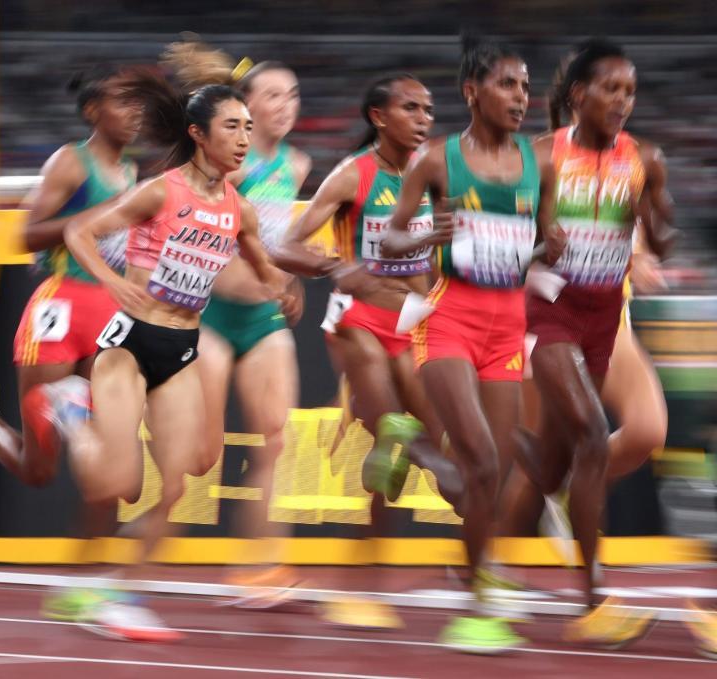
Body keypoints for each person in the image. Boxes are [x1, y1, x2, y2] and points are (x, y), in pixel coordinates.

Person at [35, 74, 287, 641]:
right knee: (114, 482)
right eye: (232, 127)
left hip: (180, 348)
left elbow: (261, 261)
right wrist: (110, 281)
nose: (245, 138)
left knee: (182, 483)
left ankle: (114, 592)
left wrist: (283, 285)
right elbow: (79, 232)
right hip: (130, 344)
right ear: (199, 135)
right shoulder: (160, 191)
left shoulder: (238, 209)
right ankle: (72, 410)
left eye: (249, 128)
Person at [380, 36, 553, 653]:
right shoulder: (434, 159)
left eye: (527, 87)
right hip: (449, 317)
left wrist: (545, 250)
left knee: (492, 472)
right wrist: (429, 235)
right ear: (472, 91)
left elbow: (542, 243)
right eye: (508, 85)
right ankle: (476, 607)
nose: (521, 98)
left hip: (507, 328)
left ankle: (474, 572)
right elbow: (389, 244)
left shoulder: (539, 163)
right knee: (479, 457)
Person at [276, 73, 463, 627]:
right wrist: (336, 266)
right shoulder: (352, 175)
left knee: (406, 453)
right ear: (379, 117)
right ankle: (367, 577)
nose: (424, 118)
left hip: (413, 319)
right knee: (397, 434)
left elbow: (436, 253)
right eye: (410, 108)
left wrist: (441, 293)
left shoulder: (433, 172)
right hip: (357, 318)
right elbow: (286, 245)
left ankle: (373, 577)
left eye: (429, 109)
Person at [515, 38, 676, 647]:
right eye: (611, 89)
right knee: (584, 432)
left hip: (610, 316)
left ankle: (561, 495)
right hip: (548, 311)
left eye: (630, 91)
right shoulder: (541, 158)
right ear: (579, 95)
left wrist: (652, 229)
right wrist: (536, 248)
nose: (623, 101)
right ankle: (594, 594)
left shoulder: (644, 158)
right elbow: (497, 239)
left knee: (614, 441)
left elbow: (663, 238)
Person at [0, 65, 141, 488]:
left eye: (139, 102)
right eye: (123, 102)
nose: (136, 112)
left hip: (108, 312)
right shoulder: (70, 161)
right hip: (62, 309)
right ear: (94, 111)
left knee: (106, 443)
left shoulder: (130, 171)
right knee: (38, 470)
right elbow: (25, 236)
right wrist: (96, 217)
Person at [161, 39, 308, 604]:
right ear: (244, 105)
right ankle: (136, 558)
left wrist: (287, 278)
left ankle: (261, 566)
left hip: (264, 320)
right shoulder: (224, 165)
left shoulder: (297, 164)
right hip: (212, 317)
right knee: (201, 456)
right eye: (272, 94)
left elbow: (275, 240)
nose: (285, 104)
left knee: (276, 440)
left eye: (293, 95)